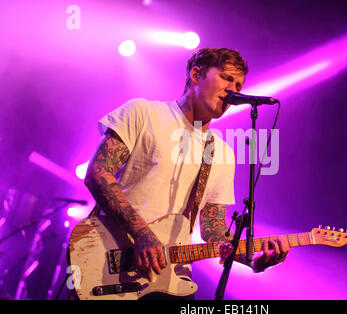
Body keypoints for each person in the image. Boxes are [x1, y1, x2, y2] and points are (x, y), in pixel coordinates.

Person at [83, 48, 289, 299]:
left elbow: (213, 229)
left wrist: (253, 259)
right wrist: (142, 234)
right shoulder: (144, 113)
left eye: (238, 84)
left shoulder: (221, 152)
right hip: (110, 262)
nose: (233, 89)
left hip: (172, 280)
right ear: (196, 74)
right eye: (226, 78)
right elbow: (97, 172)